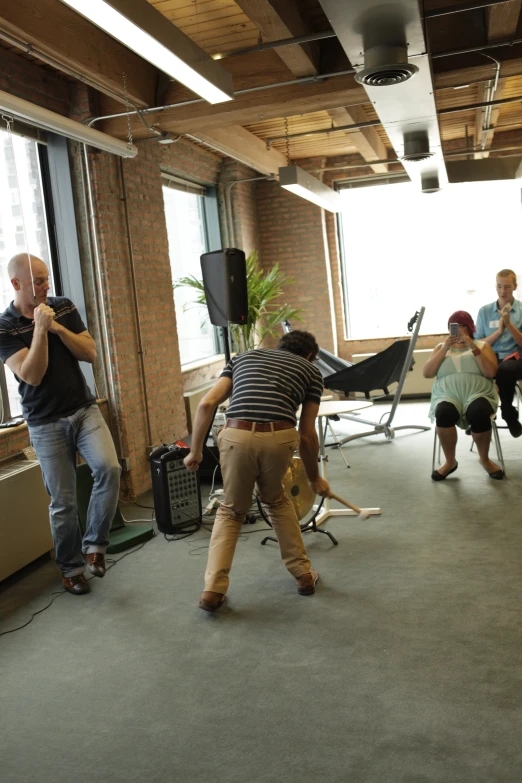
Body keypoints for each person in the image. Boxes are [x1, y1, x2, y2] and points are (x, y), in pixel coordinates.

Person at [184, 330, 331, 612]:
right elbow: (308, 434)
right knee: (276, 500)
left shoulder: (242, 358)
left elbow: (206, 404)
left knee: (231, 511)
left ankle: (212, 591)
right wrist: (314, 478)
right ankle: (303, 577)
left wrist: (196, 451)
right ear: (311, 355)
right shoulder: (311, 372)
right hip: (279, 438)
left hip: (236, 436)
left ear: (279, 346)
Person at [0, 254, 121, 595]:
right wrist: (39, 329)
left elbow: (90, 352)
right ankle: (71, 569)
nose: (45, 286)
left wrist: (55, 326)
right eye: (38, 281)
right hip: (44, 422)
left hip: (84, 410)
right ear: (16, 284)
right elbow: (32, 375)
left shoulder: (62, 307)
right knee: (63, 501)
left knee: (109, 468)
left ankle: (94, 547)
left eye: (46, 278)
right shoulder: (4, 326)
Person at [423, 310, 502, 481]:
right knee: (443, 413)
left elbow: (491, 372)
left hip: (478, 392)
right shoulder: (440, 348)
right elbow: (427, 373)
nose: (458, 332)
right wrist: (445, 347)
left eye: (462, 327)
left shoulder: (482, 346)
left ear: (469, 328)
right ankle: (450, 462)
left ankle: (485, 459)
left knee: (480, 412)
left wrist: (471, 345)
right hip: (447, 394)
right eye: (454, 328)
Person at [475, 269, 522, 437]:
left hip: (515, 358)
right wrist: (499, 332)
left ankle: (508, 413)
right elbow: (478, 343)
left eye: (507, 287)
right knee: (474, 367)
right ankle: (477, 416)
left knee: (506, 369)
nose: (503, 291)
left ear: (515, 286)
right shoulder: (484, 311)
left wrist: (509, 324)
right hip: (491, 357)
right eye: (499, 286)